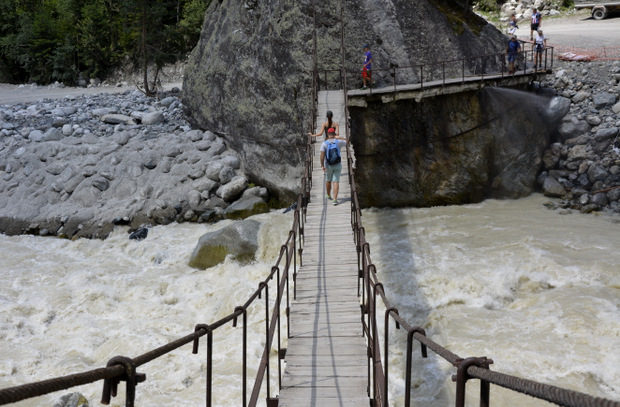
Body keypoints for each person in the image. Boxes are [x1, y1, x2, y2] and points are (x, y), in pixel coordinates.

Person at [320, 127, 347, 205]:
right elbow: (348, 142)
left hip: (328, 165)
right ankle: (335, 199)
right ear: (334, 134)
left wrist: (322, 165)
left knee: (328, 180)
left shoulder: (324, 143)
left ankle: (328, 195)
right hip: (338, 164)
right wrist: (340, 137)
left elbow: (322, 155)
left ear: (328, 134)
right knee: (336, 181)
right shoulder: (339, 142)